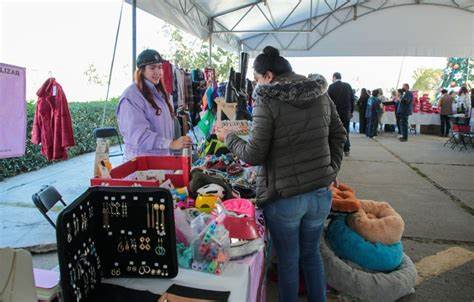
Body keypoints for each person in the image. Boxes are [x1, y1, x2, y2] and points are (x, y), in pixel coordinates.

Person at [217, 46, 347, 302]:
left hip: (285, 196)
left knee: (289, 261)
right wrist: (331, 170)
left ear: (267, 75)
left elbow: (254, 153)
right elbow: (339, 134)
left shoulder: (266, 97)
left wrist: (228, 137)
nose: (256, 85)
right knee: (311, 255)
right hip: (320, 194)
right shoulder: (320, 91)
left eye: (256, 79)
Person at [116, 49, 192, 159]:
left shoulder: (159, 93)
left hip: (162, 162)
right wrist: (170, 143)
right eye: (152, 68)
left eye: (160, 67)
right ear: (141, 70)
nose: (158, 72)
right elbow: (139, 136)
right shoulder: (131, 97)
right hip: (143, 165)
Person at [328, 72, 355, 156]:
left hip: (335, 114)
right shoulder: (348, 86)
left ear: (334, 77)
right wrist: (351, 111)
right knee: (346, 130)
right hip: (346, 113)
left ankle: (335, 150)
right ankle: (346, 150)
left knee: (334, 131)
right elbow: (352, 100)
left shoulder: (331, 87)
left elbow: (328, 101)